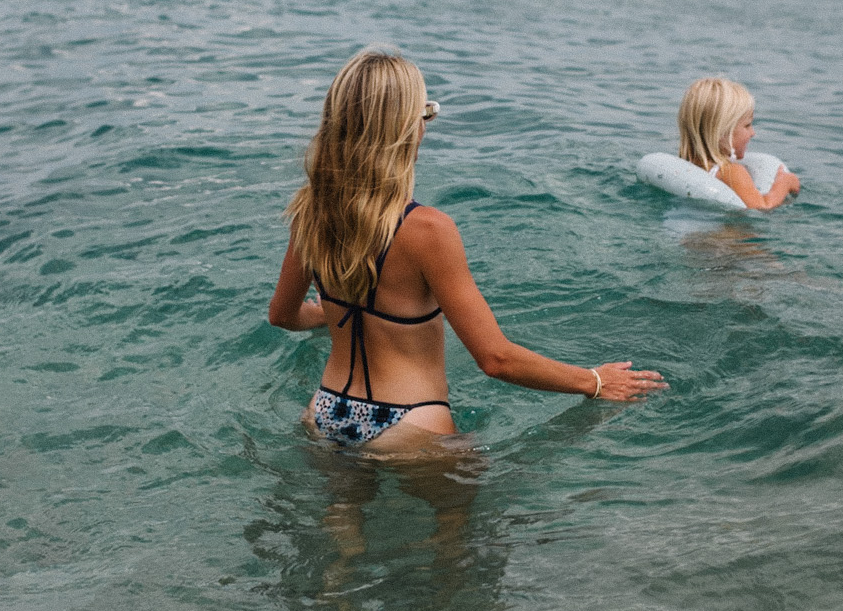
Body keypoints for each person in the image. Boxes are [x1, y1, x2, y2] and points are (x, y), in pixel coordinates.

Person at [268, 48, 667, 452]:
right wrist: (595, 381)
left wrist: (327, 312)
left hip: (325, 411)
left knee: (338, 514)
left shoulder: (312, 210)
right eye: (425, 113)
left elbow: (282, 315)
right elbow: (496, 359)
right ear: (406, 128)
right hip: (409, 422)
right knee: (482, 516)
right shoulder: (429, 229)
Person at [677, 75, 801, 211]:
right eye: (747, 125)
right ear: (722, 132)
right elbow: (761, 207)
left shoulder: (686, 165)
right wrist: (784, 184)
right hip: (731, 232)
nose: (752, 133)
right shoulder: (732, 172)